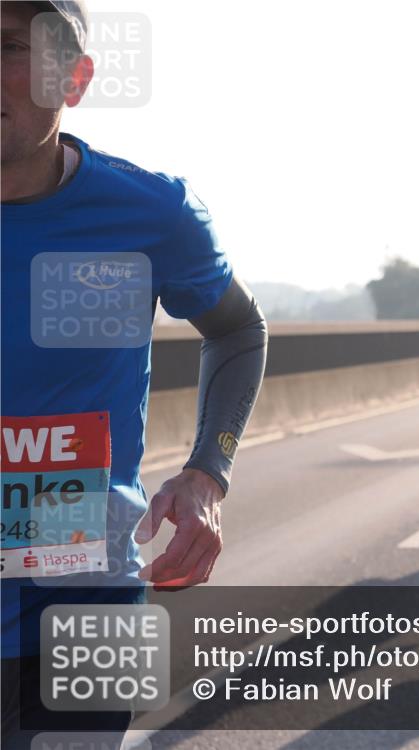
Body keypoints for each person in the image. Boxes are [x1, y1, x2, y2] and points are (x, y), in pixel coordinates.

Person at [1, 3, 268, 745]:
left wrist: (208, 472)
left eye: (10, 47)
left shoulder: (150, 213)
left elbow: (239, 328)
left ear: (74, 78)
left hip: (93, 607)